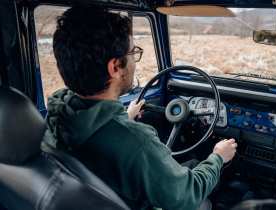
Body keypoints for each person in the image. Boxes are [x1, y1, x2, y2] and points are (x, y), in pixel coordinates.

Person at [46, 5, 237, 210]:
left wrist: (124, 119)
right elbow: (186, 195)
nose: (135, 60)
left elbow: (108, 141)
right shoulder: (137, 142)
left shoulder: (57, 115)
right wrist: (218, 157)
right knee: (203, 201)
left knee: (189, 165)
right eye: (133, 52)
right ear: (116, 67)